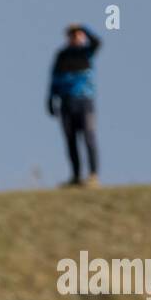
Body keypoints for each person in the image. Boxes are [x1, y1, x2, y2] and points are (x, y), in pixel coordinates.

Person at [48, 23, 102, 187]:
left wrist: (83, 28)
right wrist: (50, 98)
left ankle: (93, 176)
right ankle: (76, 176)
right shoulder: (61, 55)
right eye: (72, 34)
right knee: (70, 140)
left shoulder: (87, 52)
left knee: (88, 137)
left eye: (78, 34)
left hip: (84, 101)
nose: (75, 37)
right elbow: (54, 78)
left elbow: (97, 42)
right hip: (66, 102)